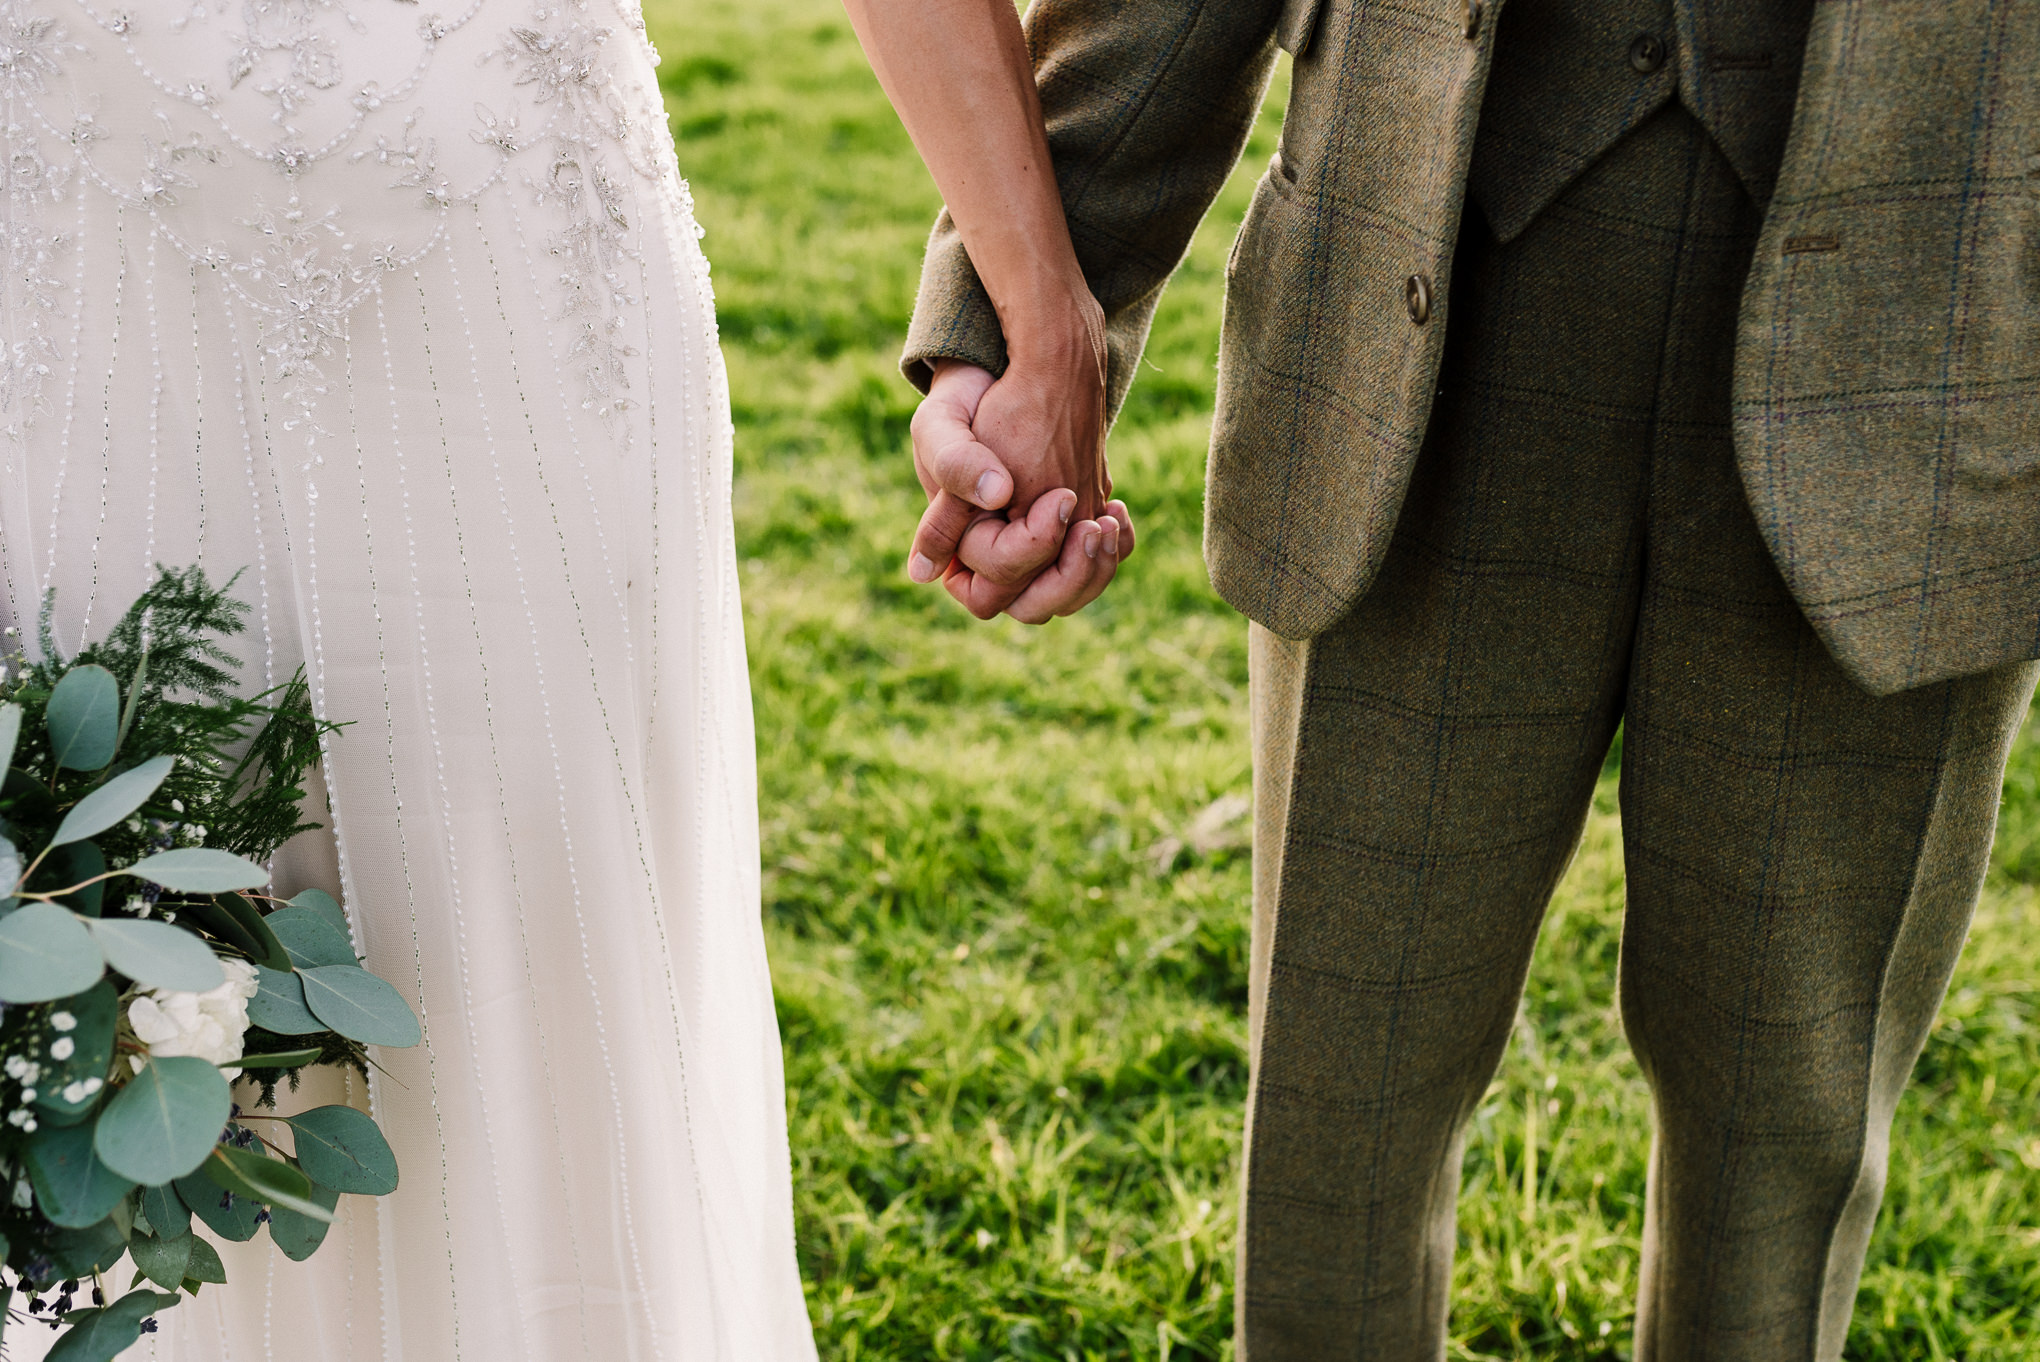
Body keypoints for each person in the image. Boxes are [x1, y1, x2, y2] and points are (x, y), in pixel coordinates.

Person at [844, 0, 2039, 1356]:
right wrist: (1015, 334)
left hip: (1925, 361)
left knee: (1787, 1142)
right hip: (1416, 352)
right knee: (1338, 1122)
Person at [0, 3, 816, 1359]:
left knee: (539, 874)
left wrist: (1025, 300)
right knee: (102, 859)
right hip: (85, 205)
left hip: (503, 198)